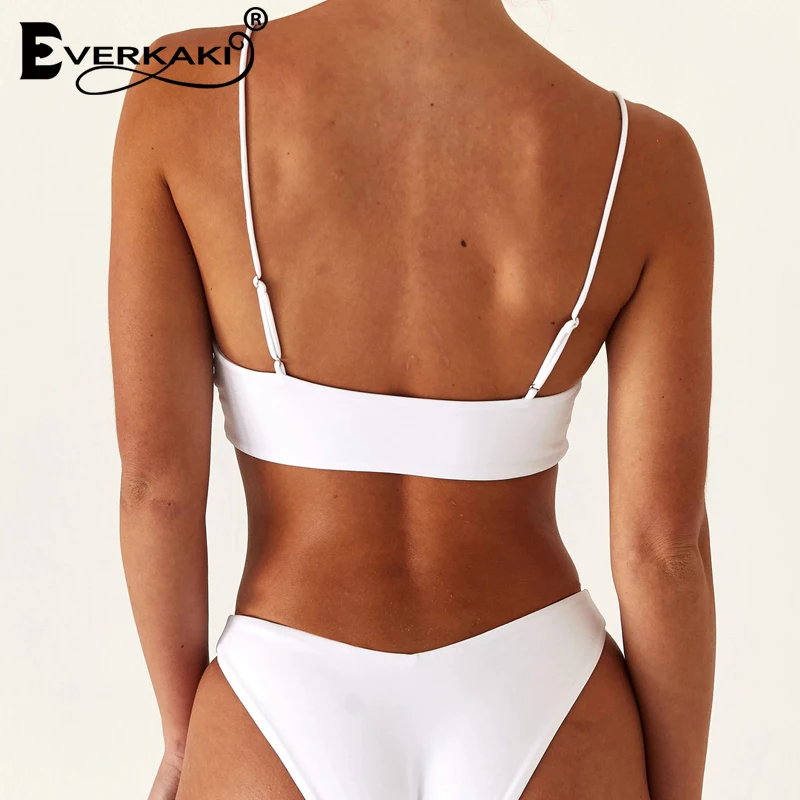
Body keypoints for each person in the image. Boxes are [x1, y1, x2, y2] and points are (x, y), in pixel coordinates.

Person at [109, 2, 715, 798]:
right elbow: (663, 549)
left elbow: (156, 489)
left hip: (280, 690)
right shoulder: (645, 159)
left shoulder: (189, 92)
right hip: (544, 688)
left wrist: (185, 739)